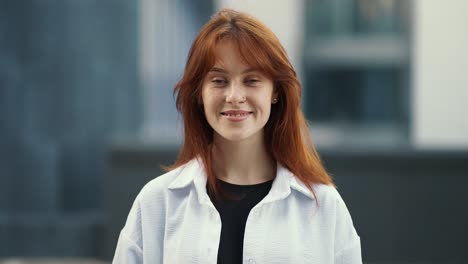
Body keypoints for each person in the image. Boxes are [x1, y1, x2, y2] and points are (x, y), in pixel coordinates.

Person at [113, 8, 362, 264]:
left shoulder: (323, 205)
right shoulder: (157, 202)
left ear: (275, 92)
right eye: (219, 81)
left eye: (252, 80)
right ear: (199, 93)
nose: (234, 96)